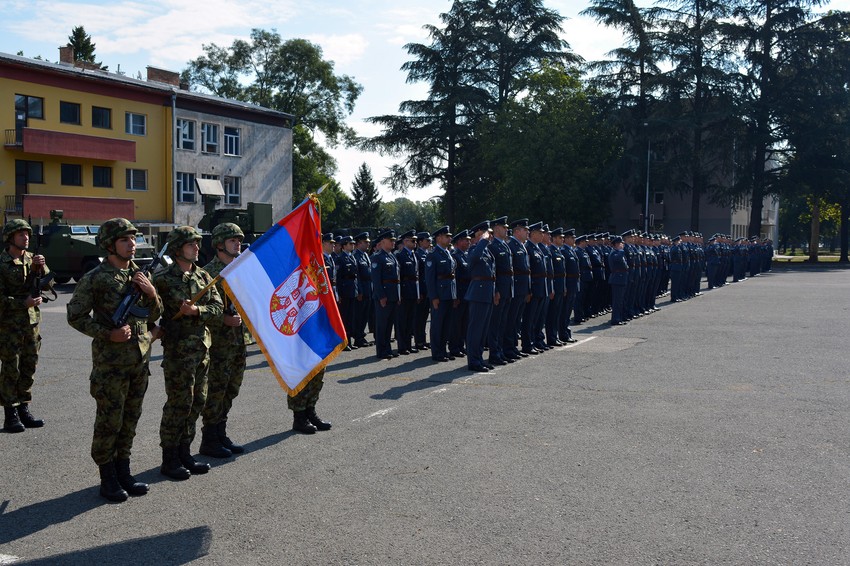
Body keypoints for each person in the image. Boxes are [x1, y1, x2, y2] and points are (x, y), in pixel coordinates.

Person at [67, 218, 163, 502]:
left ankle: (124, 470)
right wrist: (108, 334)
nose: (132, 244)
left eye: (133, 239)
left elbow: (154, 313)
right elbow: (75, 316)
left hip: (138, 362)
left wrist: (151, 292)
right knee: (110, 421)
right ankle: (107, 477)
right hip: (111, 365)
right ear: (110, 245)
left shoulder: (140, 275)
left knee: (130, 420)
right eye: (125, 240)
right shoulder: (96, 277)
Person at [154, 226, 223, 480]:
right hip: (178, 353)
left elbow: (217, 309)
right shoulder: (162, 279)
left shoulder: (204, 277)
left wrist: (198, 312)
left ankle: (185, 451)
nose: (196, 247)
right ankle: (169, 457)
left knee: (197, 402)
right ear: (177, 248)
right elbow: (148, 309)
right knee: (178, 404)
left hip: (202, 350)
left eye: (197, 243)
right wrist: (155, 328)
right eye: (190, 244)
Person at [199, 222, 254, 459]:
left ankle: (221, 433)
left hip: (238, 341)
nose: (238, 244)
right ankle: (209, 439)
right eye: (233, 240)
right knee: (215, 392)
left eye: (239, 240)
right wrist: (223, 319)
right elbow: (201, 310)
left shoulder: (240, 269)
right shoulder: (209, 274)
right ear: (220, 245)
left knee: (231, 390)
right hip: (218, 344)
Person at [0, 219, 48, 433]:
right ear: (10, 238)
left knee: (29, 366)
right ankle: (10, 415)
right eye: (21, 234)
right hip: (9, 325)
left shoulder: (32, 259)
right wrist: (22, 303)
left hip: (31, 323)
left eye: (27, 234)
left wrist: (42, 268)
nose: (26, 237)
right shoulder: (2, 263)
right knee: (11, 369)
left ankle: (24, 410)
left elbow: (49, 283)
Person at [465, 221, 495, 372]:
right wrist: (482, 240)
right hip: (478, 293)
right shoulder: (473, 249)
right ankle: (473, 361)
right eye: (485, 232)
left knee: (483, 330)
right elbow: (475, 258)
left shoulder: (487, 250)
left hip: (487, 293)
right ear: (478, 233)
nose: (489, 235)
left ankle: (479, 358)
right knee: (475, 329)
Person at [424, 226, 456, 362]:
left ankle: (443, 350)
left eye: (449, 236)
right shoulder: (433, 254)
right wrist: (434, 297)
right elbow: (430, 279)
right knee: (437, 324)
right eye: (446, 236)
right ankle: (437, 352)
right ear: (438, 238)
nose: (449, 238)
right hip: (440, 295)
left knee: (447, 324)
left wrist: (454, 295)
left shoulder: (448, 253)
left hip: (449, 294)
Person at [487, 216, 514, 366]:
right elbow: (493, 271)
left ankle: (501, 351)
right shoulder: (492, 247)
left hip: (507, 288)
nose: (506, 230)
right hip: (500, 289)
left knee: (503, 322)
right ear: (496, 228)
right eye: (504, 227)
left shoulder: (505, 245)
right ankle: (494, 353)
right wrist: (496, 290)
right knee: (495, 323)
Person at [371, 230, 400, 360]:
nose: (393, 242)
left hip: (393, 295)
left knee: (389, 325)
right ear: (383, 242)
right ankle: (381, 350)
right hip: (384, 296)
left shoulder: (392, 256)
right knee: (382, 325)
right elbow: (376, 280)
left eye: (394, 240)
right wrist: (381, 296)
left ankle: (387, 348)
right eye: (391, 240)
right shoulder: (378, 257)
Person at [395, 230, 419, 355]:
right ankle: (402, 346)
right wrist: (399, 294)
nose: (415, 243)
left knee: (410, 320)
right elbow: (399, 276)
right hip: (404, 290)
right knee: (402, 320)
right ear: (405, 241)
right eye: (413, 240)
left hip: (413, 290)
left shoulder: (413, 254)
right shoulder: (400, 255)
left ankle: (408, 345)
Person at [449, 230, 471, 358]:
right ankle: (454, 347)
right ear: (458, 242)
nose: (468, 242)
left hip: (467, 292)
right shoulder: (455, 255)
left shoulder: (466, 255)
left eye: (469, 240)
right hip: (459, 292)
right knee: (456, 323)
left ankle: (461, 346)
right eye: (465, 240)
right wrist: (455, 295)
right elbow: (454, 278)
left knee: (465, 322)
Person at [335, 235, 360, 350]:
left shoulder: (352, 257)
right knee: (345, 318)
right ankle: (344, 342)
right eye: (350, 244)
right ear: (344, 246)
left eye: (353, 243)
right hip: (345, 291)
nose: (353, 245)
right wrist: (339, 294)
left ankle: (349, 341)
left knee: (351, 317)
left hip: (352, 290)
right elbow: (338, 278)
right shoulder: (340, 259)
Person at [608, 236, 629, 326]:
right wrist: (621, 250)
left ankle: (619, 317)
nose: (622, 245)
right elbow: (617, 259)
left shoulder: (619, 253)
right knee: (617, 301)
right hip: (617, 279)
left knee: (620, 300)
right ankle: (615, 319)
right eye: (621, 243)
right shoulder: (614, 253)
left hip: (621, 279)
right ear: (616, 244)